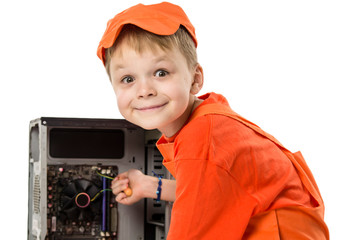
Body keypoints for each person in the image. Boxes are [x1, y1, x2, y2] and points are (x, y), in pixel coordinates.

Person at [96, 2, 329, 239]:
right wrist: (150, 186)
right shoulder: (207, 116)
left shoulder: (204, 139)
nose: (144, 90)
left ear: (195, 79)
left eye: (161, 73)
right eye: (127, 79)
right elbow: (212, 193)